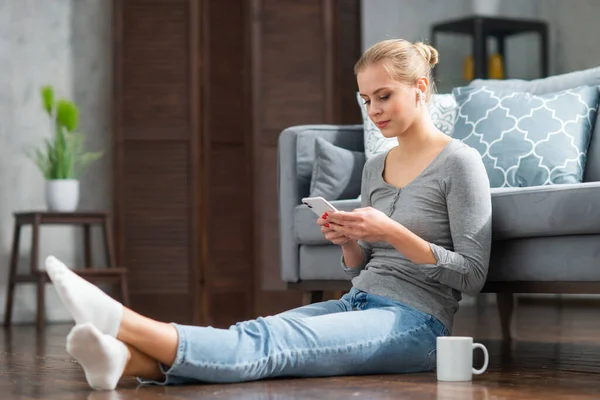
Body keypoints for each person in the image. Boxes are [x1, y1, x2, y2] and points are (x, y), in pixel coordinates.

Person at [46, 38, 491, 391]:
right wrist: (350, 240)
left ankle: (121, 321)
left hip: (416, 323)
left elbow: (472, 275)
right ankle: (126, 363)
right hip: (357, 300)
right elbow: (364, 267)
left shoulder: (460, 162)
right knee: (256, 331)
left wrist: (391, 230)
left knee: (275, 344)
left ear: (421, 89)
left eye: (383, 96)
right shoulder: (376, 166)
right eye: (365, 100)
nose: (373, 111)